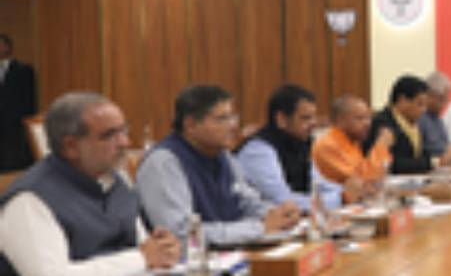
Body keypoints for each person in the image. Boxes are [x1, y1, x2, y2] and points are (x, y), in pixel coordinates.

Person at [0, 92, 180, 276]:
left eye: (124, 131)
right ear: (71, 147)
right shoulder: (30, 199)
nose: (125, 142)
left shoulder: (115, 180)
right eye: (110, 135)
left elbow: (143, 248)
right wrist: (141, 258)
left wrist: (163, 251)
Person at [137, 85, 301, 247]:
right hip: (191, 261)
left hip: (230, 254)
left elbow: (246, 202)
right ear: (190, 125)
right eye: (222, 119)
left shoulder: (224, 157)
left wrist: (277, 215)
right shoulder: (164, 163)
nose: (233, 125)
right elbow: (181, 234)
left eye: (233, 117)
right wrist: (258, 229)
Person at [237, 84, 352, 212]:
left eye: (314, 117)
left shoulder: (302, 142)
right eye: (305, 118)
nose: (314, 123)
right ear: (281, 119)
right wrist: (341, 198)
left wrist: (349, 190)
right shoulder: (258, 152)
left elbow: (319, 183)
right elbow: (283, 201)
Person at [312, 96, 392, 193]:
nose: (367, 123)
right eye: (360, 118)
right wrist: (381, 146)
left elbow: (377, 176)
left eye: (368, 118)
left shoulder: (352, 141)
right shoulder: (327, 145)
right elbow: (366, 180)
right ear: (340, 121)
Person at [367, 75, 433, 174]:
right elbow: (392, 163)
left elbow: (421, 155)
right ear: (402, 101)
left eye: (425, 105)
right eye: (420, 104)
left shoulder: (413, 124)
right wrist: (431, 163)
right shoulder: (383, 123)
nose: (424, 110)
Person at [0, 34, 37, 172]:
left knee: (13, 159)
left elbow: (29, 97)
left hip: (15, 123)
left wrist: (27, 119)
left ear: (8, 47)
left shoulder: (24, 70)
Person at [419, 72, 451, 167]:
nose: (445, 104)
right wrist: (449, 151)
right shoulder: (420, 118)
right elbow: (428, 150)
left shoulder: (437, 119)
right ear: (428, 96)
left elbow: (445, 145)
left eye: (447, 99)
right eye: (442, 99)